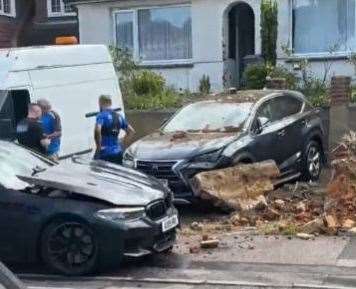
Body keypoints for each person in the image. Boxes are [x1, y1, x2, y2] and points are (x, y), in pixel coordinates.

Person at [94, 95, 134, 164]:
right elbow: (131, 131)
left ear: (100, 103)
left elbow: (97, 130)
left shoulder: (101, 115)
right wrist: (122, 144)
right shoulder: (119, 116)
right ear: (110, 103)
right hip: (118, 152)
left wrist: (98, 148)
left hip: (105, 153)